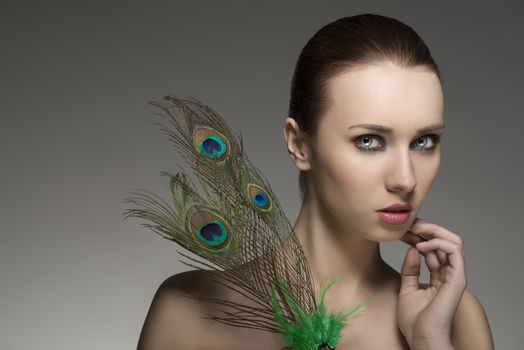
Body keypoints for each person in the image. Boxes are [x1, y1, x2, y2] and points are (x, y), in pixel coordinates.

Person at [137, 14, 495, 349]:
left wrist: (431, 340)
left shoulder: (455, 320)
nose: (405, 179)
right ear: (299, 144)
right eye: (368, 141)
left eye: (423, 142)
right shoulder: (185, 312)